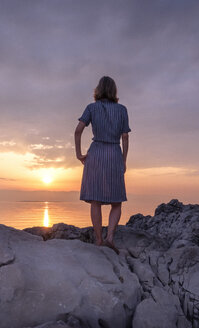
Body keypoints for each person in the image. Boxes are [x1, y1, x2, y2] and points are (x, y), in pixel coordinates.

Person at [74, 76, 131, 255]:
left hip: (96, 153)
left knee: (95, 200)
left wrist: (79, 154)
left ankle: (99, 240)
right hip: (114, 153)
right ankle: (110, 238)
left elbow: (77, 131)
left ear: (98, 90)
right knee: (117, 200)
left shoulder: (92, 108)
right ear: (114, 91)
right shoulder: (122, 110)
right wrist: (123, 160)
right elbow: (125, 137)